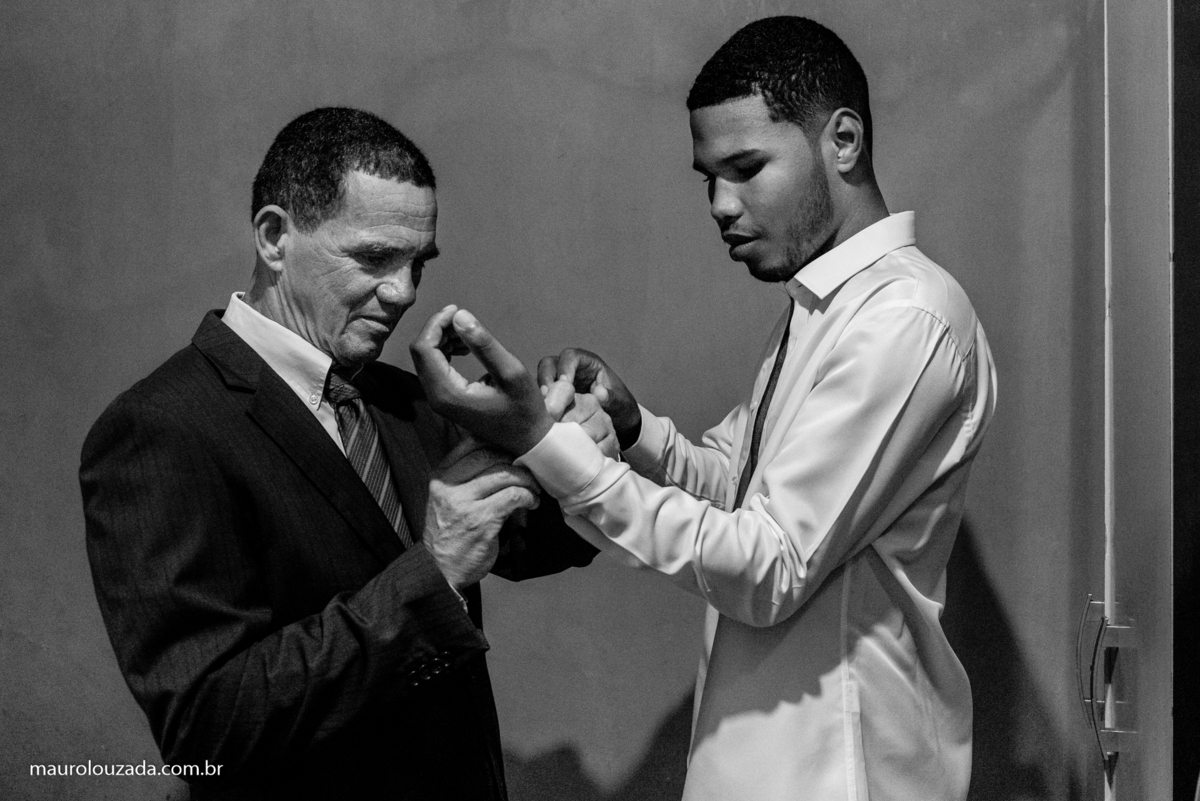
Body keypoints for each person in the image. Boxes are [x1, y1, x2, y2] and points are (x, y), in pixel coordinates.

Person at [410, 16, 997, 801]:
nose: (720, 204)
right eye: (708, 179)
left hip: (833, 776)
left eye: (746, 168)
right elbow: (741, 491)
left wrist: (542, 439)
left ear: (843, 141)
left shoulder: (904, 318)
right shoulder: (825, 306)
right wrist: (631, 428)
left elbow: (770, 566)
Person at [79, 106, 603, 800]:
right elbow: (210, 729)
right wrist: (435, 573)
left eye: (418, 264)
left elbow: (532, 544)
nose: (404, 293)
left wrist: (583, 439)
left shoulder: (404, 399)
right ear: (274, 237)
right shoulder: (160, 428)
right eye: (374, 258)